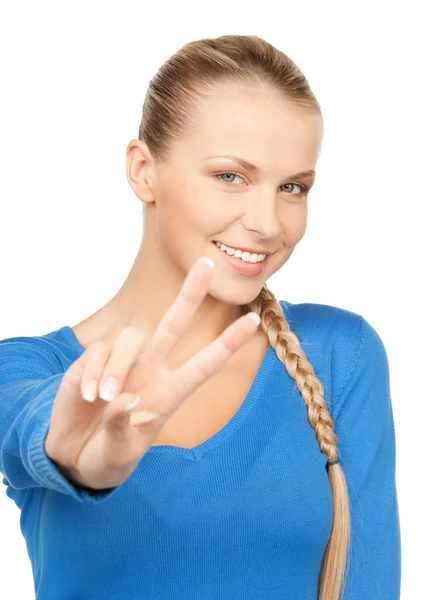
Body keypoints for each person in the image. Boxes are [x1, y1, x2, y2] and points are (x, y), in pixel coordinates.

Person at [0, 34, 401, 600]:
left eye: (292, 187)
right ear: (143, 171)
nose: (267, 223)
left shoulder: (340, 354)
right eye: (231, 176)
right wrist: (77, 455)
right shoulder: (20, 369)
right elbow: (33, 426)